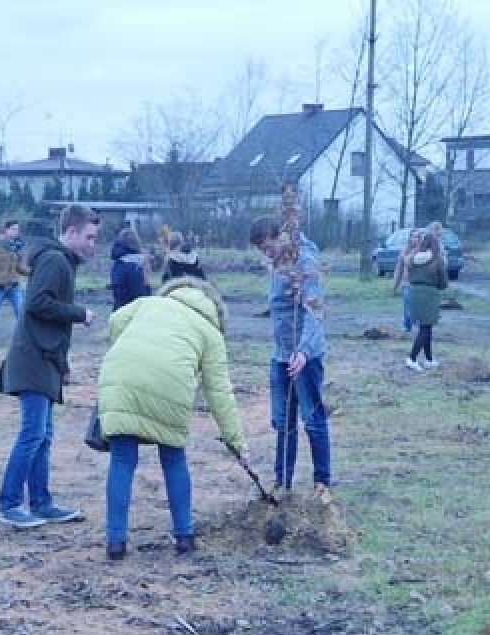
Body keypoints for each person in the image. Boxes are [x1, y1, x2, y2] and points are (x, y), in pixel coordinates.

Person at [96, 278, 247, 560]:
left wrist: (129, 347)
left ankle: (115, 542)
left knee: (122, 460)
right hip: (171, 385)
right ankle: (184, 536)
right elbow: (219, 393)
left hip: (121, 377)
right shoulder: (210, 333)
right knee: (174, 458)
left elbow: (115, 320)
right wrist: (236, 441)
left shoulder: (149, 304)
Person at [0, 203, 100, 528]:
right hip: (32, 359)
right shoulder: (55, 261)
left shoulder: (61, 261)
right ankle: (10, 504)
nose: (92, 244)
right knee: (33, 433)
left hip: (46, 359)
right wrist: (79, 314)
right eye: (89, 237)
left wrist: (62, 364)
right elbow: (37, 304)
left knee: (44, 434)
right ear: (70, 232)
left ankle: (41, 502)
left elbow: (49, 318)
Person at [249, 214, 331, 497]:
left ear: (281, 236)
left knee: (312, 418)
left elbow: (314, 311)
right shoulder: (279, 262)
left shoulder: (305, 262)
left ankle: (322, 484)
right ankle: (282, 482)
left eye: (267, 246)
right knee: (283, 421)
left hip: (304, 357)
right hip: (281, 354)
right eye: (261, 249)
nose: (265, 253)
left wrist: (304, 352)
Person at [404, 230, 447, 372]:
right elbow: (443, 283)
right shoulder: (437, 260)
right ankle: (412, 358)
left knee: (426, 327)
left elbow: (409, 276)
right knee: (425, 329)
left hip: (415, 293)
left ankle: (428, 359)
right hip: (430, 295)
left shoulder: (413, 258)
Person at [109, 224, 152, 310]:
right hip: (130, 314)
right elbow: (143, 299)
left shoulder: (118, 263)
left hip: (119, 310)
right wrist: (146, 280)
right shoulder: (134, 267)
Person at [391, 229, 423, 333]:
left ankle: (421, 327)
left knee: (418, 307)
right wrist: (395, 285)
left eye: (418, 237)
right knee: (407, 307)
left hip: (420, 284)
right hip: (407, 283)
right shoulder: (404, 251)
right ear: (410, 238)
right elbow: (399, 269)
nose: (416, 239)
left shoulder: (424, 251)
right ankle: (407, 326)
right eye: (414, 236)